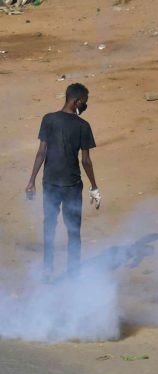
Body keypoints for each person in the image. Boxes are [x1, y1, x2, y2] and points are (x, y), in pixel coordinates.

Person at [25, 83, 101, 281]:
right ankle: (73, 273)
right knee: (74, 230)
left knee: (49, 226)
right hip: (72, 187)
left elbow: (41, 152)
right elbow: (86, 161)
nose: (84, 106)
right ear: (76, 101)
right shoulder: (83, 126)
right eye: (84, 102)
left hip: (50, 183)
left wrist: (31, 181)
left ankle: (48, 270)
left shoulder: (48, 120)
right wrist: (94, 186)